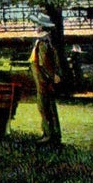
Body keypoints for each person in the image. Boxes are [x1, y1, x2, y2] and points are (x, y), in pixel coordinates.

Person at [29, 13, 63, 146]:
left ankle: (49, 135)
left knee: (45, 107)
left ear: (41, 27)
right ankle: (51, 133)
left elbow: (44, 63)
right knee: (48, 107)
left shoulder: (43, 43)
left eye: (37, 25)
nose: (35, 27)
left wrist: (52, 76)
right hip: (43, 81)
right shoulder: (43, 41)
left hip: (43, 81)